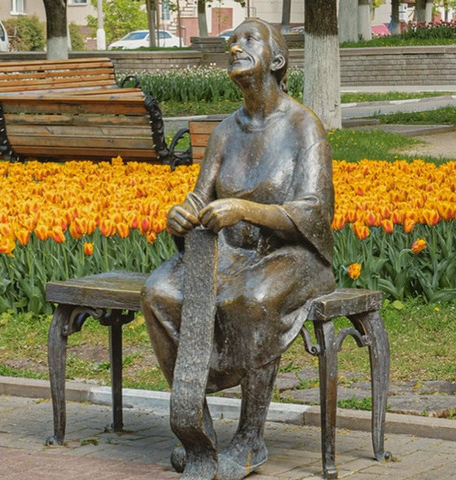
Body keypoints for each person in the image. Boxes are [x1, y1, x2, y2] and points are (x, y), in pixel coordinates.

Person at [140, 18, 335, 480]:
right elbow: (200, 197)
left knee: (253, 299)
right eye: (231, 41)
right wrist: (182, 214)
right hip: (229, 254)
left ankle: (250, 439)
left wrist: (245, 210)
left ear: (278, 60)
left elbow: (315, 213)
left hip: (293, 256)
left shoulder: (304, 127)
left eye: (249, 40)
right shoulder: (226, 131)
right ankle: (198, 434)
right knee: (158, 292)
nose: (234, 47)